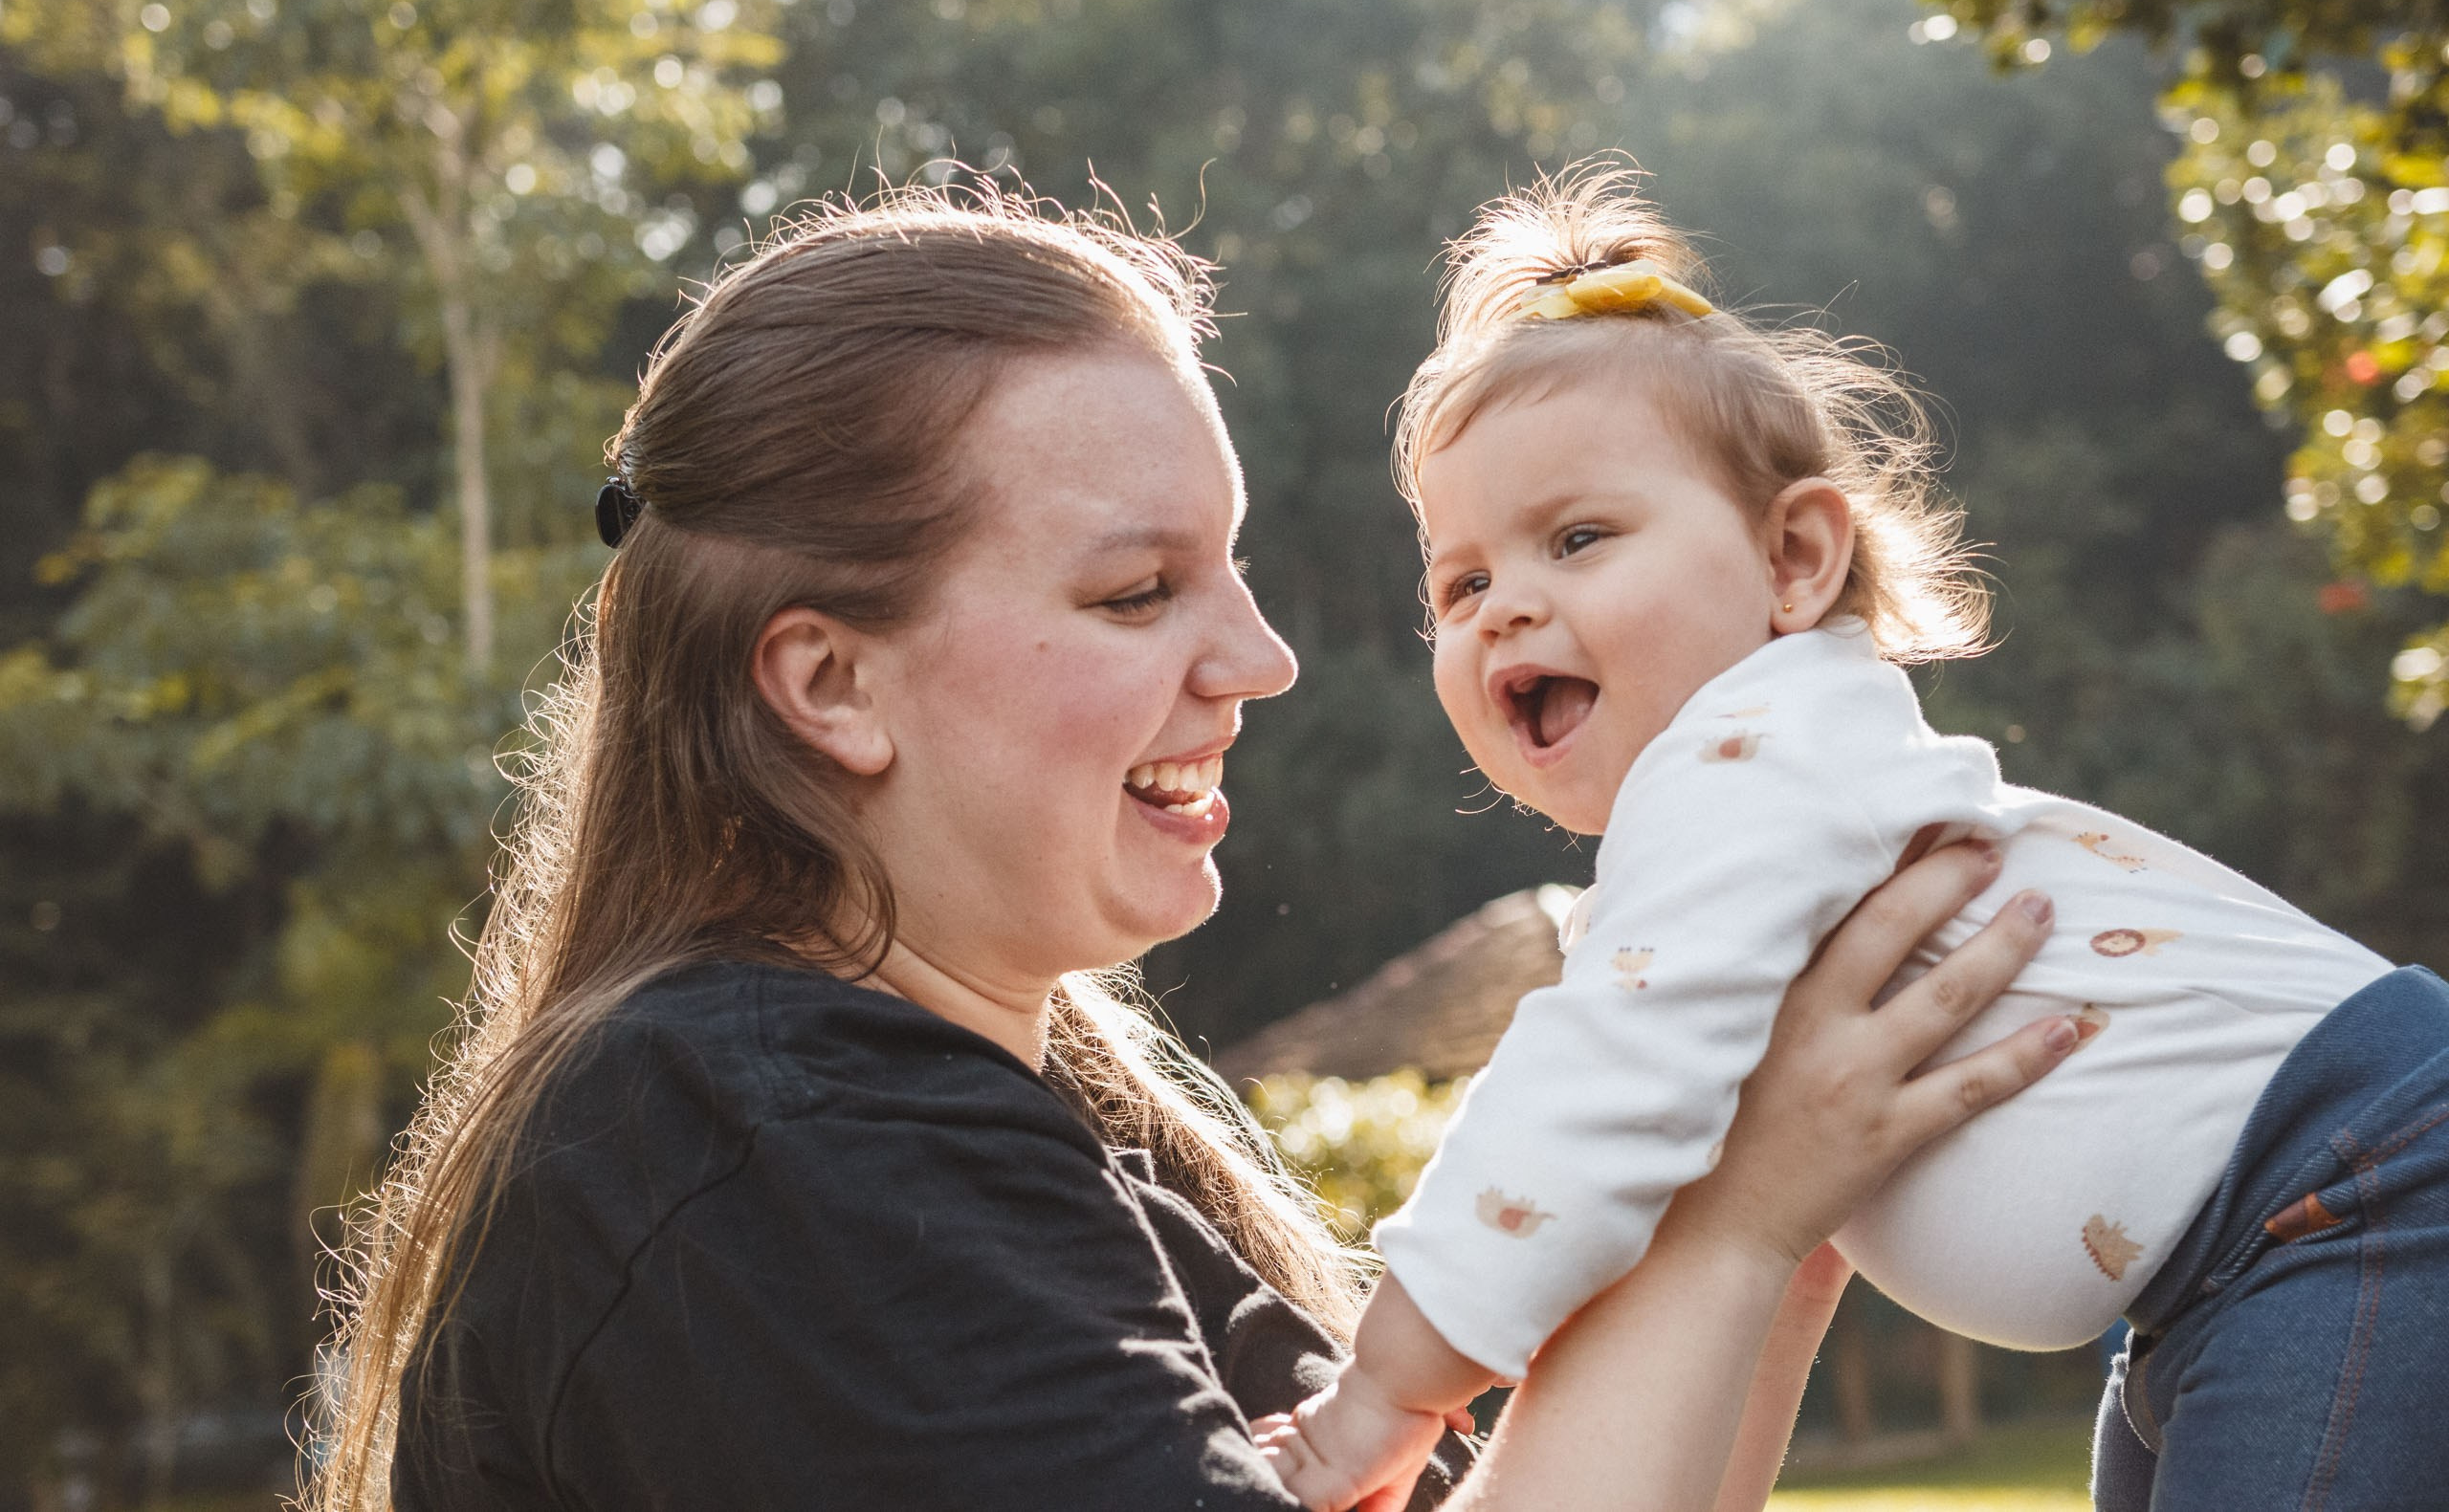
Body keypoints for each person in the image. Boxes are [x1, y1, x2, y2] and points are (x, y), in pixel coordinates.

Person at [305, 186, 2073, 1512]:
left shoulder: (1016, 1151)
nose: (1263, 660)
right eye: (1139, 590)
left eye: (1227, 571)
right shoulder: (773, 1148)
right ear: (829, 680)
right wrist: (1740, 1225)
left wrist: (1765, 1228)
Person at [1259, 166, 2449, 1512]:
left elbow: (1580, 1104)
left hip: (2349, 1200)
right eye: (1462, 581)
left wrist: (1386, 1387)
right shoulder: (1745, 823)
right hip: (2242, 1265)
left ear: (1793, 563)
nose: (1505, 609)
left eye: (1578, 538)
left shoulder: (1752, 760)